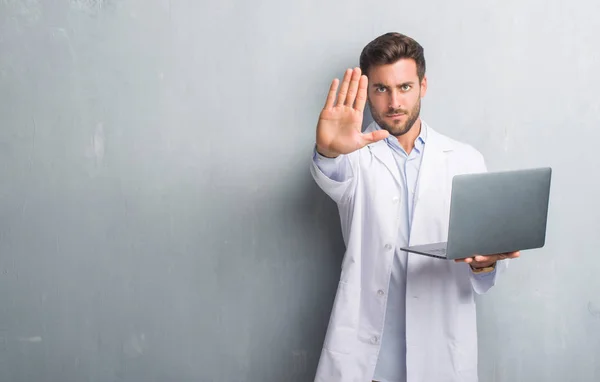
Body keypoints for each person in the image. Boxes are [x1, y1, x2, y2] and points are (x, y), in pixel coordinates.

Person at [309, 32, 520, 382]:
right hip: (370, 363)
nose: (394, 102)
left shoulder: (465, 159)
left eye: (404, 87)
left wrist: (484, 266)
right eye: (381, 89)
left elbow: (484, 264)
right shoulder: (354, 157)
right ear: (367, 93)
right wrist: (330, 149)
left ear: (423, 86)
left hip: (440, 355)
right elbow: (329, 173)